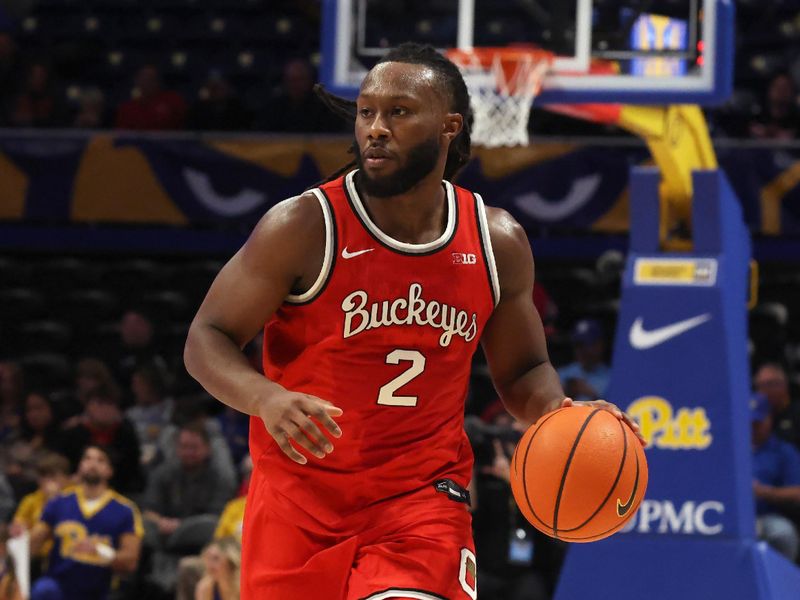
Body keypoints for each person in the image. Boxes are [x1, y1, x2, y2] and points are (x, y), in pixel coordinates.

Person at [184, 42, 641, 599]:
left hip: (420, 501)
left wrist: (561, 415)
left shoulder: (495, 241)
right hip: (298, 505)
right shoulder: (304, 225)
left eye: (399, 112)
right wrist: (265, 397)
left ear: (449, 126)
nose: (375, 127)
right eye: (367, 111)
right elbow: (207, 339)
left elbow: (524, 371)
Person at [27, 445, 143, 600]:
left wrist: (100, 551)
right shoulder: (59, 502)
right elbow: (32, 545)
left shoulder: (125, 510)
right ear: (80, 466)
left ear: (110, 471)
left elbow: (131, 562)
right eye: (87, 458)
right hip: (59, 586)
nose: (92, 464)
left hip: (101, 589)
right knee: (43, 589)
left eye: (100, 460)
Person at [143, 421, 236, 542]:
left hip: (204, 540)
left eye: (194, 447)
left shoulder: (221, 478)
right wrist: (161, 521)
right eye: (184, 446)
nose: (188, 452)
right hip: (163, 537)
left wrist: (181, 526)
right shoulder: (163, 473)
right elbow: (149, 510)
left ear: (207, 448)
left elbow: (217, 518)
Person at [60, 385, 143, 495]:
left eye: (110, 404)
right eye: (99, 403)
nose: (104, 409)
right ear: (88, 407)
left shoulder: (126, 432)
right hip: (78, 489)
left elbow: (132, 470)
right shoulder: (73, 433)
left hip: (121, 491)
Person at [751, 392, 800, 562]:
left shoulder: (783, 451)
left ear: (769, 419)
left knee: (783, 533)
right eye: (749, 422)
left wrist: (765, 492)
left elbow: (797, 492)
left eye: (757, 423)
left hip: (766, 517)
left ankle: (784, 584)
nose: (752, 427)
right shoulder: (730, 449)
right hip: (728, 516)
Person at [10, 453, 71, 567]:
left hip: (64, 556)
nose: (47, 481)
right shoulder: (30, 500)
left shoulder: (73, 499)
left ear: (66, 478)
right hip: (34, 556)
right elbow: (18, 529)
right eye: (43, 476)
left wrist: (54, 500)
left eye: (53, 476)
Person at [257, 58, 345, 133]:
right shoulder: (273, 109)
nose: (295, 85)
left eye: (300, 79)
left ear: (309, 80)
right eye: (291, 80)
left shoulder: (325, 110)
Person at [115, 64, 186, 130]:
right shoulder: (127, 108)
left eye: (151, 78)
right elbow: (122, 134)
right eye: (144, 79)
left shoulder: (172, 101)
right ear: (136, 81)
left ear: (157, 81)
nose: (147, 83)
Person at [557, 318, 611, 401]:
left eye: (587, 344)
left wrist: (591, 394)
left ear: (599, 345)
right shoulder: (563, 373)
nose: (581, 350)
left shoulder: (611, 377)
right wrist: (566, 392)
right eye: (578, 345)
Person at [754, 362, 800, 450]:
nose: (764, 391)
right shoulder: (757, 417)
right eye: (760, 386)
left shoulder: (797, 413)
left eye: (769, 384)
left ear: (783, 385)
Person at [749, 72, 800, 140]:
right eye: (778, 87)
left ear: (793, 92)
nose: (781, 92)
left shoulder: (797, 122)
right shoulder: (756, 118)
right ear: (769, 90)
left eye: (785, 88)